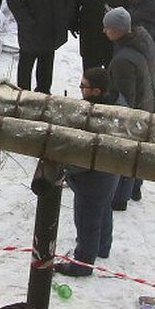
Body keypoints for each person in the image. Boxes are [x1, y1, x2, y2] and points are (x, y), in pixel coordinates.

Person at [55, 67, 118, 277]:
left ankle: (81, 264)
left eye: (84, 86)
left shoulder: (95, 118)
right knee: (103, 209)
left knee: (86, 221)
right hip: (109, 173)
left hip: (92, 178)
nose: (80, 89)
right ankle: (102, 246)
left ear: (97, 91)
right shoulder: (114, 108)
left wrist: (66, 167)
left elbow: (85, 154)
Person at [103, 6, 155, 208]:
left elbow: (126, 97)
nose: (104, 31)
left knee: (127, 154)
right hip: (147, 104)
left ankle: (120, 198)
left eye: (107, 27)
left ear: (117, 30)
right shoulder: (138, 42)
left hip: (135, 113)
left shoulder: (122, 61)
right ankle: (135, 188)